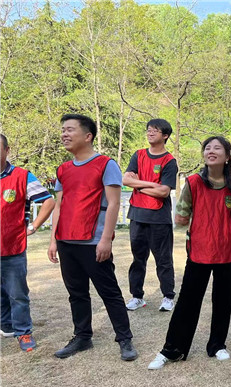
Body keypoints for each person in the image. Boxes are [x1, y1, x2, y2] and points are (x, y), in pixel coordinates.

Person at [48, 114, 138, 361]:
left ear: (87, 136)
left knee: (109, 292)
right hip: (67, 241)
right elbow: (59, 205)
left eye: (70, 130)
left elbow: (113, 203)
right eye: (63, 130)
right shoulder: (63, 169)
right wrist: (54, 239)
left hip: (93, 241)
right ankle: (82, 337)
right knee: (76, 292)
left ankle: (125, 339)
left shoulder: (106, 164)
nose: (64, 134)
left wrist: (106, 239)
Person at [148, 136, 231, 369]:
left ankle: (217, 345)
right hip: (199, 251)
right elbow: (181, 218)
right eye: (207, 148)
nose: (211, 151)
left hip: (226, 251)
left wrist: (224, 233)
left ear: (227, 156)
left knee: (223, 300)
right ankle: (172, 350)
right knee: (188, 301)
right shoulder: (193, 183)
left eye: (217, 148)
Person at [1, 134, 55, 351]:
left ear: (7, 150)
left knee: (18, 294)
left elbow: (48, 201)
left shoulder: (22, 176)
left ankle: (24, 332)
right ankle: (6, 326)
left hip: (12, 247)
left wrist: (32, 227)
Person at [123, 119, 177, 312]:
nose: (150, 133)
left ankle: (168, 296)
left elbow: (163, 192)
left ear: (165, 136)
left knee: (163, 259)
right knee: (138, 259)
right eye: (148, 130)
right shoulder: (138, 155)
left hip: (159, 218)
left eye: (155, 130)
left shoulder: (169, 161)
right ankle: (137, 296)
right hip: (137, 215)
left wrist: (141, 184)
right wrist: (152, 184)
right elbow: (125, 179)